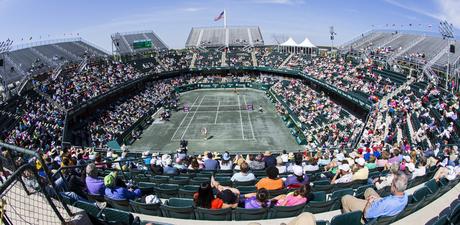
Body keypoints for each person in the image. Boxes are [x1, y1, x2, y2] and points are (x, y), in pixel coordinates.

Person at [341, 171, 409, 220]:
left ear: (395, 188)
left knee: (345, 198)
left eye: (392, 183)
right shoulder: (405, 196)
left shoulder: (386, 203)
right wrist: (378, 199)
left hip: (369, 211)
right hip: (381, 205)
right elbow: (387, 201)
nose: (391, 184)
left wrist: (369, 203)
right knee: (369, 190)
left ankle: (348, 220)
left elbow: (366, 215)